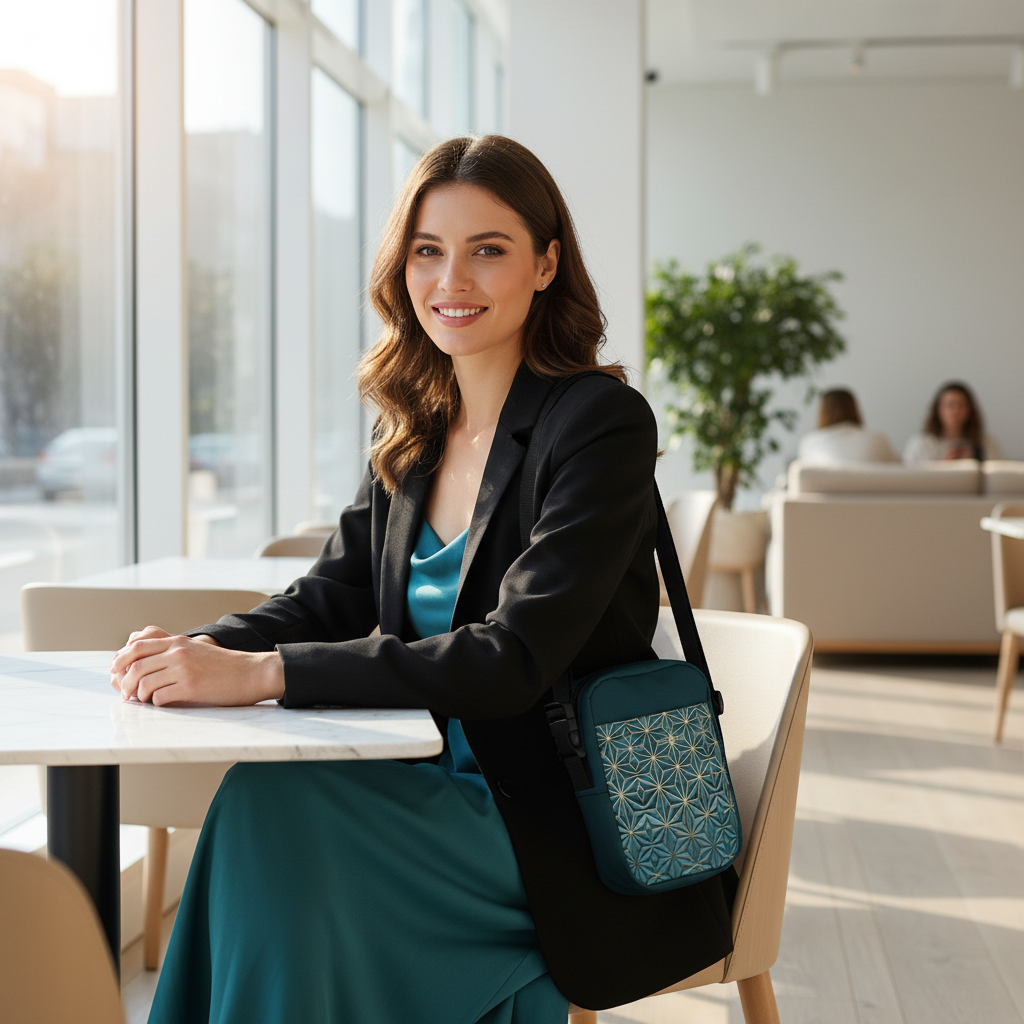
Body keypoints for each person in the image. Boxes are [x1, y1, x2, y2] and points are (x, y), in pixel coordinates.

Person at [111, 136, 736, 1023]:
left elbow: (515, 656)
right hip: (426, 774)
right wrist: (205, 648)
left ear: (547, 264)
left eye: (490, 249)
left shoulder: (599, 424)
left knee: (277, 821)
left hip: (548, 818)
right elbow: (332, 593)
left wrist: (266, 674)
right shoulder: (417, 431)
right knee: (264, 803)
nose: (455, 280)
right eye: (428, 251)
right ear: (402, 267)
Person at [903, 381, 1003, 463]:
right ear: (938, 410)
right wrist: (944, 465)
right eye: (950, 405)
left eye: (961, 405)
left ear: (970, 410)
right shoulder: (921, 444)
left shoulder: (986, 443)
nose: (955, 411)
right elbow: (911, 481)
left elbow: (997, 479)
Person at [797, 388, 899, 464]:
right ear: (855, 409)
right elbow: (899, 470)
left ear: (822, 412)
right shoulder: (878, 439)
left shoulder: (809, 442)